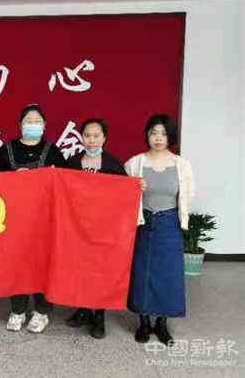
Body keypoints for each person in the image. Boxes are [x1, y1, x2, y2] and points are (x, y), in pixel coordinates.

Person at [0, 103, 68, 333]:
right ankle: (18, 309)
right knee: (17, 263)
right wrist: (13, 177)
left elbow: (66, 182)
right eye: (28, 121)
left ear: (44, 125)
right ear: (20, 125)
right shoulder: (6, 149)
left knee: (43, 264)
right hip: (14, 219)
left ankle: (42, 311)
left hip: (44, 219)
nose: (33, 125)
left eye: (37, 121)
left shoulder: (52, 151)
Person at [125, 114, 194, 346]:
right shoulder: (135, 164)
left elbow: (187, 195)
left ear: (170, 136)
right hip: (143, 223)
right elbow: (121, 196)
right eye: (153, 133)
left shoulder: (181, 165)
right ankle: (143, 322)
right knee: (142, 272)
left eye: (163, 134)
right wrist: (134, 188)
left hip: (169, 223)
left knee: (168, 274)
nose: (158, 138)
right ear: (147, 135)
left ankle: (162, 324)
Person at [64, 118, 126, 339]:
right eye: (87, 135)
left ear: (104, 137)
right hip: (77, 227)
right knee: (79, 269)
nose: (91, 140)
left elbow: (124, 194)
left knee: (100, 271)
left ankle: (99, 315)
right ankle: (82, 310)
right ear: (82, 137)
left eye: (96, 135)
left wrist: (138, 186)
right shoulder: (72, 162)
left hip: (103, 229)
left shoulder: (113, 164)